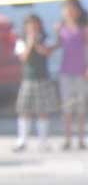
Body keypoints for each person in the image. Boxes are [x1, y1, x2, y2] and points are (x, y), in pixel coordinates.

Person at [14, 13, 59, 152]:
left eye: (35, 24)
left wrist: (38, 43)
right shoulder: (21, 40)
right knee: (24, 110)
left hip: (43, 78)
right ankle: (22, 140)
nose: (33, 27)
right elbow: (23, 57)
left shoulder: (46, 38)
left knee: (43, 110)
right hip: (28, 79)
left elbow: (48, 52)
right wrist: (29, 43)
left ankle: (43, 141)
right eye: (30, 25)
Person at [55, 0, 88, 150]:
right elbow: (56, 46)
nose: (68, 12)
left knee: (81, 106)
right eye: (66, 9)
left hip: (81, 71)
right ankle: (67, 138)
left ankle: (81, 139)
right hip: (65, 71)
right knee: (67, 106)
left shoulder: (84, 28)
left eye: (71, 9)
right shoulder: (61, 28)